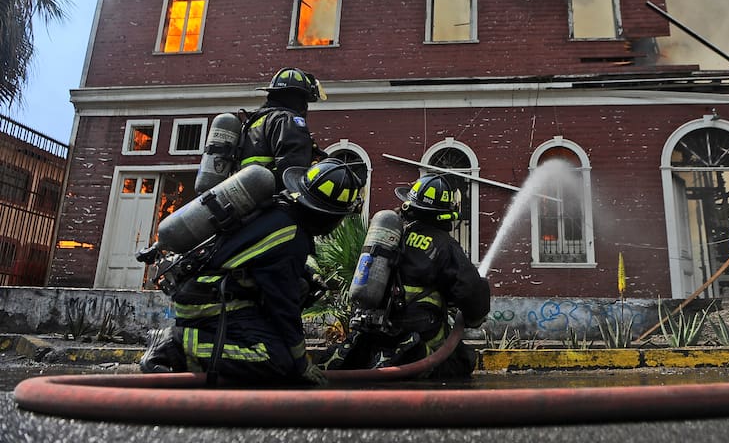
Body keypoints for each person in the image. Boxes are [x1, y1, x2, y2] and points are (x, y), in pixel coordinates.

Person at [139, 158, 365, 386]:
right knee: (276, 360)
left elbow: (258, 259)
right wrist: (300, 361)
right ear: (326, 215)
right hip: (213, 303)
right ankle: (176, 345)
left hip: (208, 293)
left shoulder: (280, 214)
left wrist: (307, 277)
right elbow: (283, 305)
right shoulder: (291, 236)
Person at [320, 173, 490, 379]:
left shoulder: (391, 235)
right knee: (463, 361)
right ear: (444, 213)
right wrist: (475, 315)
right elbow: (470, 290)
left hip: (372, 329)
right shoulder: (443, 244)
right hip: (415, 335)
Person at [238, 67, 328, 191]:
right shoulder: (287, 120)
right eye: (305, 101)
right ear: (298, 98)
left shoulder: (254, 121)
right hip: (273, 199)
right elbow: (293, 170)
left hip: (249, 198)